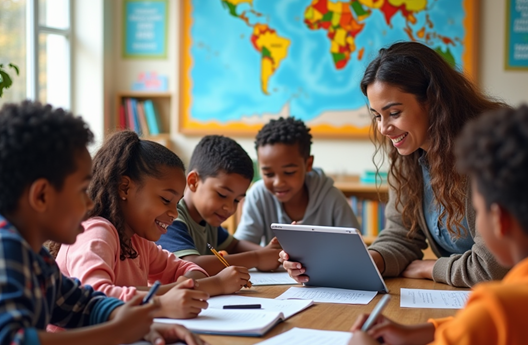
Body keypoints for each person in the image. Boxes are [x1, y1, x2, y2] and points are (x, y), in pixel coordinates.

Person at [345, 104, 528, 345]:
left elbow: (492, 326)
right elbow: (498, 329)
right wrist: (425, 331)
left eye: (477, 207)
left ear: (500, 219)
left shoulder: (498, 311)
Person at [0, 101, 210, 345]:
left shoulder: (34, 257)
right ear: (41, 196)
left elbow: (81, 303)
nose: (89, 203)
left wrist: (142, 324)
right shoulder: (7, 251)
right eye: (81, 190)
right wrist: (116, 332)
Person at [282, 41, 510, 287]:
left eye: (394, 113)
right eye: (377, 116)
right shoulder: (410, 155)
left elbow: (492, 268)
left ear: (433, 101)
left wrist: (431, 268)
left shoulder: (495, 151)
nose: (383, 128)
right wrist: (364, 261)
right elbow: (402, 236)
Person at [55, 131, 250, 321]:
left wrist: (189, 283)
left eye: (177, 202)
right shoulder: (96, 233)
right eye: (166, 200)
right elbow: (97, 298)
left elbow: (185, 267)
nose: (174, 213)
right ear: (125, 188)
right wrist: (213, 284)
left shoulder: (137, 240)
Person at [157, 135, 281, 276]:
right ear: (193, 182)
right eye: (222, 194)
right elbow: (190, 265)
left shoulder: (207, 220)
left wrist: (269, 252)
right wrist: (257, 258)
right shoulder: (171, 218)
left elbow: (234, 245)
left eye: (237, 200)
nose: (230, 208)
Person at [234, 116, 360, 245]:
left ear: (308, 164)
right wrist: (268, 255)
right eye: (268, 174)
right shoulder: (258, 195)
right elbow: (242, 244)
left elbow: (354, 247)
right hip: (274, 266)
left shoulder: (332, 198)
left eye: (289, 172)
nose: (278, 182)